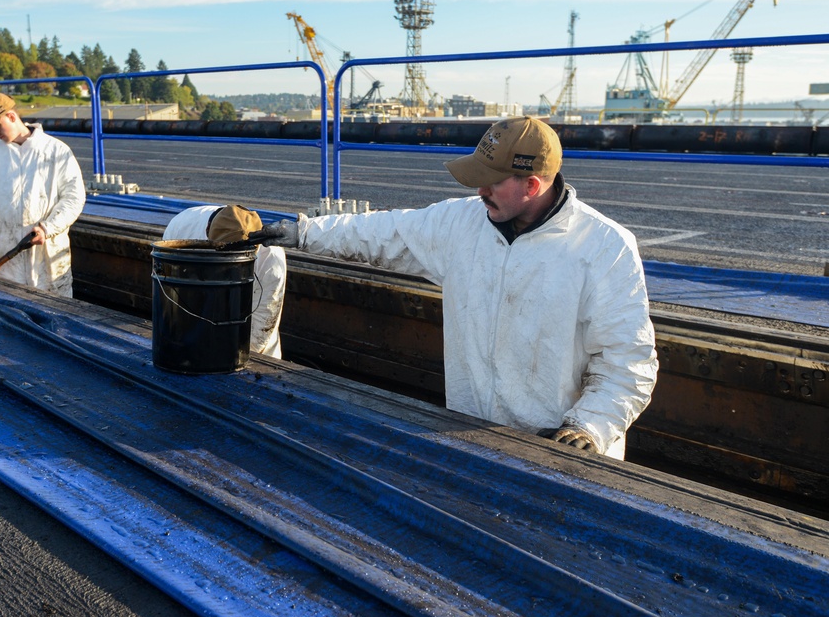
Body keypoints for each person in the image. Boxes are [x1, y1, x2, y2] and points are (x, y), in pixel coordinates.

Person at [251, 116, 658, 459]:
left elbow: (628, 363)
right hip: (471, 436)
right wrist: (294, 232)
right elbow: (379, 232)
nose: (479, 191)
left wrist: (587, 428)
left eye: (491, 182)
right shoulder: (461, 224)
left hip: (560, 454)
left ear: (532, 186)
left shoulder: (605, 248)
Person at [0, 93, 86, 297]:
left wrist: (47, 228)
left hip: (50, 264)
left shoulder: (56, 151)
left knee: (56, 320)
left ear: (12, 116)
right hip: (7, 266)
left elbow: (74, 197)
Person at [163, 204, 287, 358]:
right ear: (208, 231)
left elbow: (263, 320)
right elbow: (169, 295)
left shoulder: (272, 259)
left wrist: (242, 358)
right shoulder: (182, 227)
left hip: (255, 347)